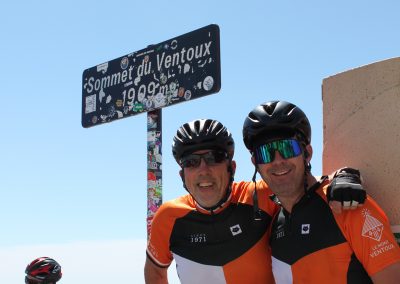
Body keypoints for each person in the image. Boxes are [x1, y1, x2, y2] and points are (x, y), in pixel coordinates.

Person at [144, 118, 365, 283]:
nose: (204, 170)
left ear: (232, 168)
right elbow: (155, 270)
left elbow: (303, 181)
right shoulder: (168, 217)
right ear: (183, 176)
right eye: (191, 162)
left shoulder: (259, 197)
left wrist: (344, 175)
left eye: (214, 158)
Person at [242, 100, 400, 283]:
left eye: (287, 148)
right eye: (266, 153)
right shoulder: (273, 223)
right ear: (256, 163)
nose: (278, 161)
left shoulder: (347, 205)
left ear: (307, 153)